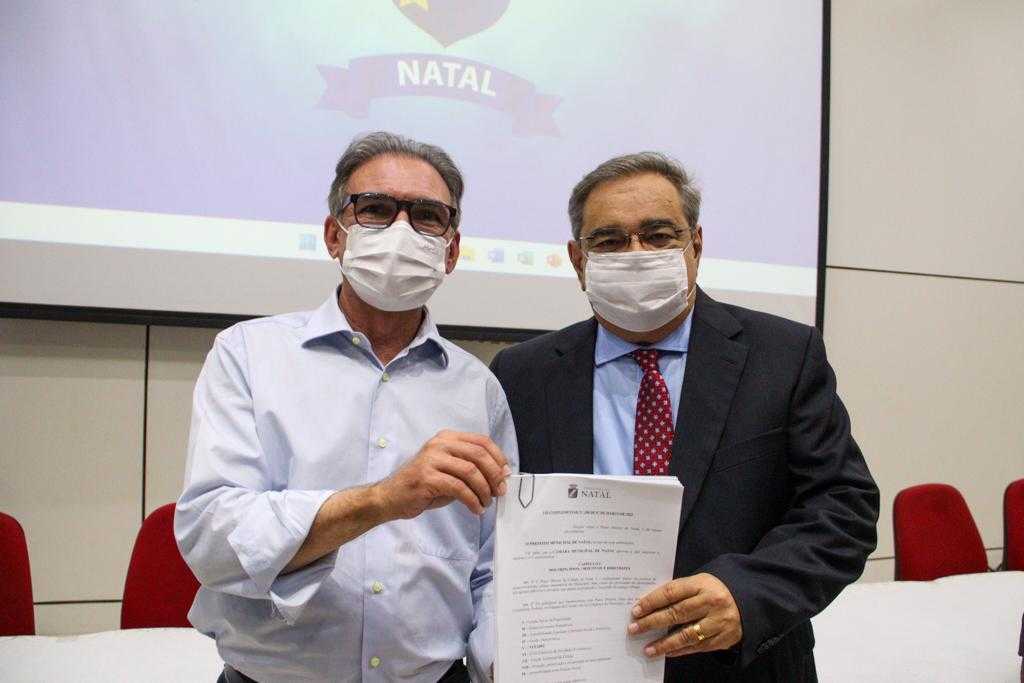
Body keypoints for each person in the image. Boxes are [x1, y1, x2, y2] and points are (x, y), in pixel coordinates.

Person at [489, 152, 878, 681]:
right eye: (609, 241)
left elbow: (843, 508)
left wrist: (746, 594)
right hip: (575, 665)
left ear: (695, 244)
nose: (636, 254)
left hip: (744, 667)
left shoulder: (783, 355)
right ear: (578, 260)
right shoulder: (522, 374)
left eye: (658, 236)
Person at [175, 131, 517, 682]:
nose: (402, 230)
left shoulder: (478, 389)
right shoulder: (249, 355)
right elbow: (213, 537)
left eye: (427, 216)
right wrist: (381, 500)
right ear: (335, 235)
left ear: (451, 251)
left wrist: (503, 662)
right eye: (376, 209)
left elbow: (496, 567)